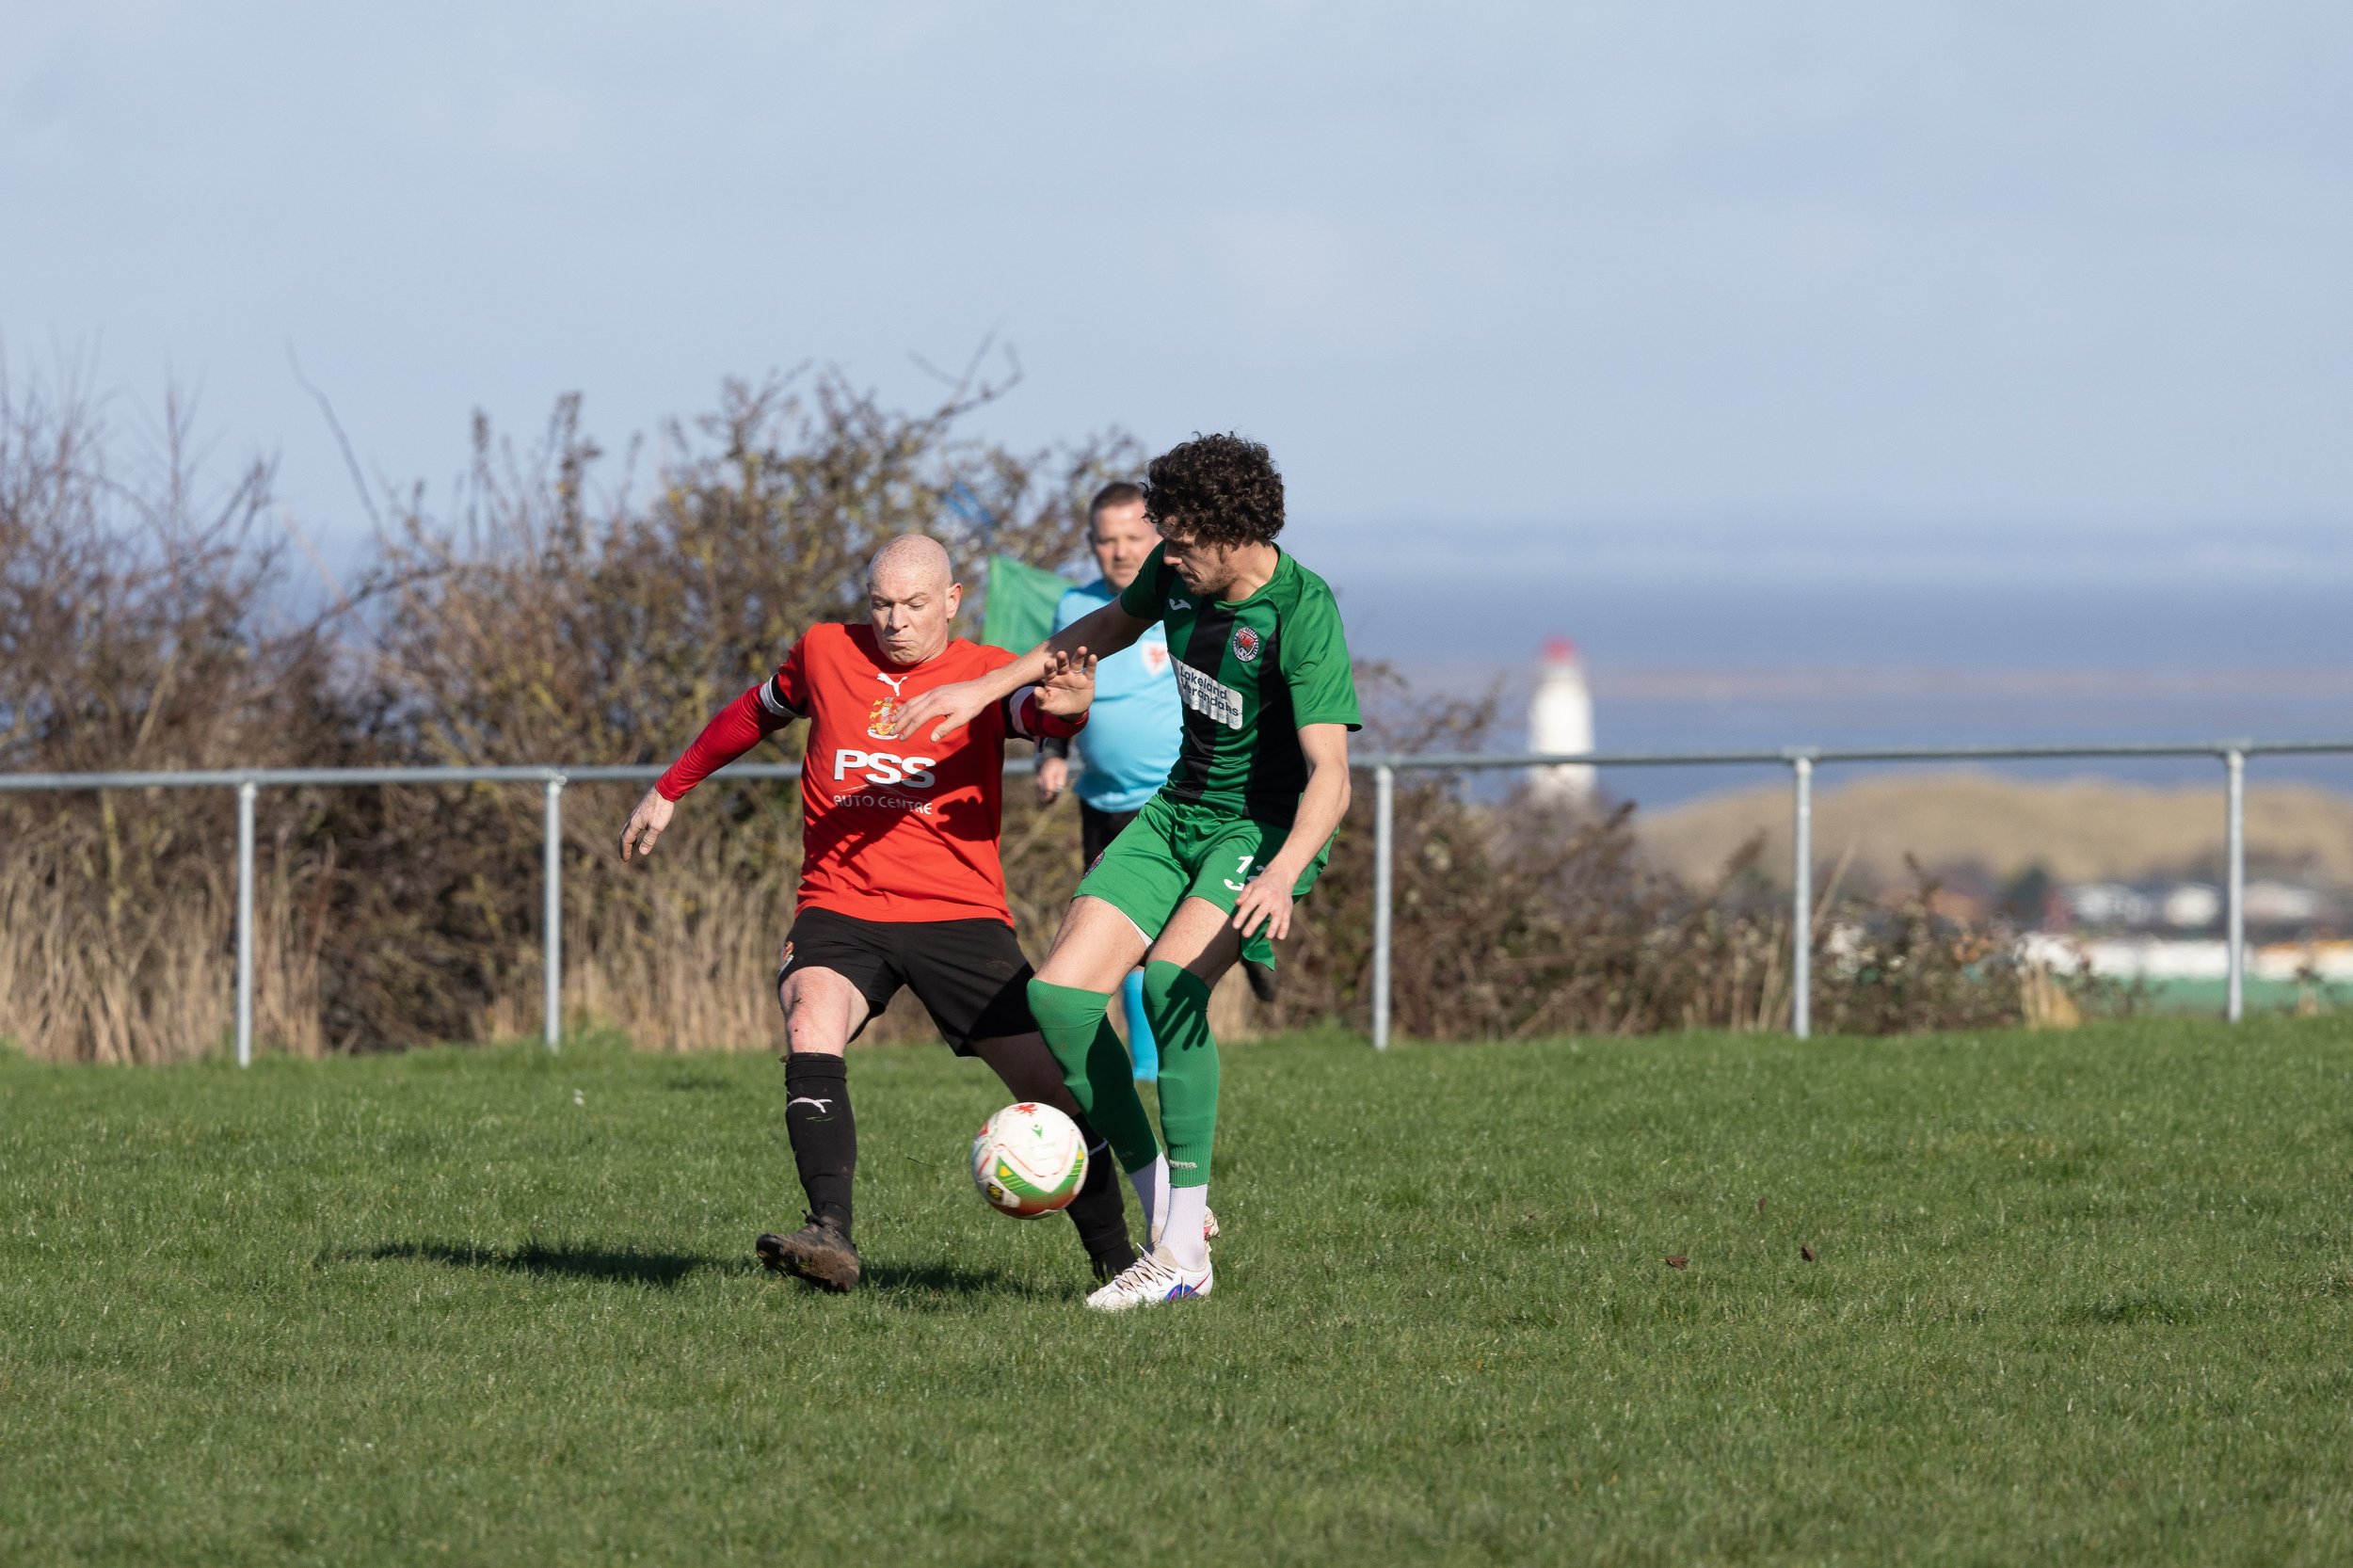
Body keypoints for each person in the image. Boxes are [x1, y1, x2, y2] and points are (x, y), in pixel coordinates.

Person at [890, 434, 1359, 1311]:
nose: (1162, 557)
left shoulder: (1302, 612)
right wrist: (982, 691)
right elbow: (1102, 630)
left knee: (1170, 986)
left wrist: (1282, 872)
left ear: (1232, 532)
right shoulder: (1180, 577)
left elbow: (1330, 777)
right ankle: (1166, 1208)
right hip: (1175, 810)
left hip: (1257, 832)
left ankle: (1182, 1255)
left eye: (1178, 542)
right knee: (1060, 1000)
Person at [616, 535, 1138, 1293]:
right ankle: (829, 1235)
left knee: (1051, 1091)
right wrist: (670, 787)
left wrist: (1071, 713)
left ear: (952, 602)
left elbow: (1040, 715)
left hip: (959, 917)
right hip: (841, 905)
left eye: (915, 605)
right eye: (882, 604)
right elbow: (751, 713)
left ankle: (1120, 1264)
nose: (895, 621)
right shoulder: (825, 652)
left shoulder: (985, 673)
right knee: (808, 1014)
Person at [1033, 482, 1183, 1080]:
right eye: (1106, 540)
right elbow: (1058, 698)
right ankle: (1145, 1064)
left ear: (1158, 538)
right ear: (1091, 544)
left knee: (1174, 936)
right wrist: (1052, 751)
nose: (1120, 552)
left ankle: (1157, 1059)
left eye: (1132, 538)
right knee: (1122, 931)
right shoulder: (1075, 608)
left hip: (1178, 799)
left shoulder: (1186, 601)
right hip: (1103, 803)